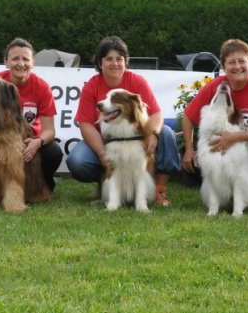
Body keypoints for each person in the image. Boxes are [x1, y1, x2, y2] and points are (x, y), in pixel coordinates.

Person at [66, 36, 180, 205]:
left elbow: (156, 114)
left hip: (135, 137)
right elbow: (85, 125)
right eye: (109, 59)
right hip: (105, 140)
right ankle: (107, 188)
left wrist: (153, 134)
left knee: (168, 133)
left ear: (126, 62)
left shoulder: (137, 81)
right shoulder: (91, 86)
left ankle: (159, 191)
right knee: (77, 160)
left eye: (119, 59)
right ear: (100, 62)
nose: (115, 64)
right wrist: (102, 154)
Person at [181, 38, 248, 214]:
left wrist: (233, 138)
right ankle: (226, 199)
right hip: (234, 145)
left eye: (242, 61)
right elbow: (188, 116)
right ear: (223, 67)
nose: (237, 66)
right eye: (231, 62)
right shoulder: (216, 86)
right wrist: (188, 149)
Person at [0, 37, 63, 201]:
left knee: (53, 151)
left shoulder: (42, 87)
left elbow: (49, 130)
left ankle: (41, 184)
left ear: (33, 62)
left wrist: (37, 142)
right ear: (6, 61)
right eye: (15, 58)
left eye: (26, 59)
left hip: (29, 139)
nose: (21, 63)